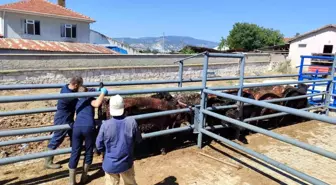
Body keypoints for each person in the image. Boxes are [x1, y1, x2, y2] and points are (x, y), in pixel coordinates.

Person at [45, 76, 101, 169]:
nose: (80, 87)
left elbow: (83, 91)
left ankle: (75, 153)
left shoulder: (66, 87)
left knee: (73, 135)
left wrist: (95, 89)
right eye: (79, 85)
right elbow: (82, 95)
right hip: (63, 118)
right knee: (58, 138)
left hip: (69, 117)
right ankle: (48, 161)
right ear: (75, 85)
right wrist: (95, 92)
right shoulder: (68, 95)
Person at [96, 95, 142, 185]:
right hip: (127, 162)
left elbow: (99, 145)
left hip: (110, 163)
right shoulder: (131, 122)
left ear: (110, 109)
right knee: (130, 182)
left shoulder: (105, 125)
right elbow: (138, 139)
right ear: (123, 107)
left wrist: (106, 152)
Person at [68, 86, 108, 185]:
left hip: (77, 127)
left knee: (75, 152)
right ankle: (84, 177)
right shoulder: (90, 99)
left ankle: (71, 181)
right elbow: (97, 103)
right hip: (88, 127)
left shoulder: (77, 101)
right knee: (89, 151)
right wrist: (102, 93)